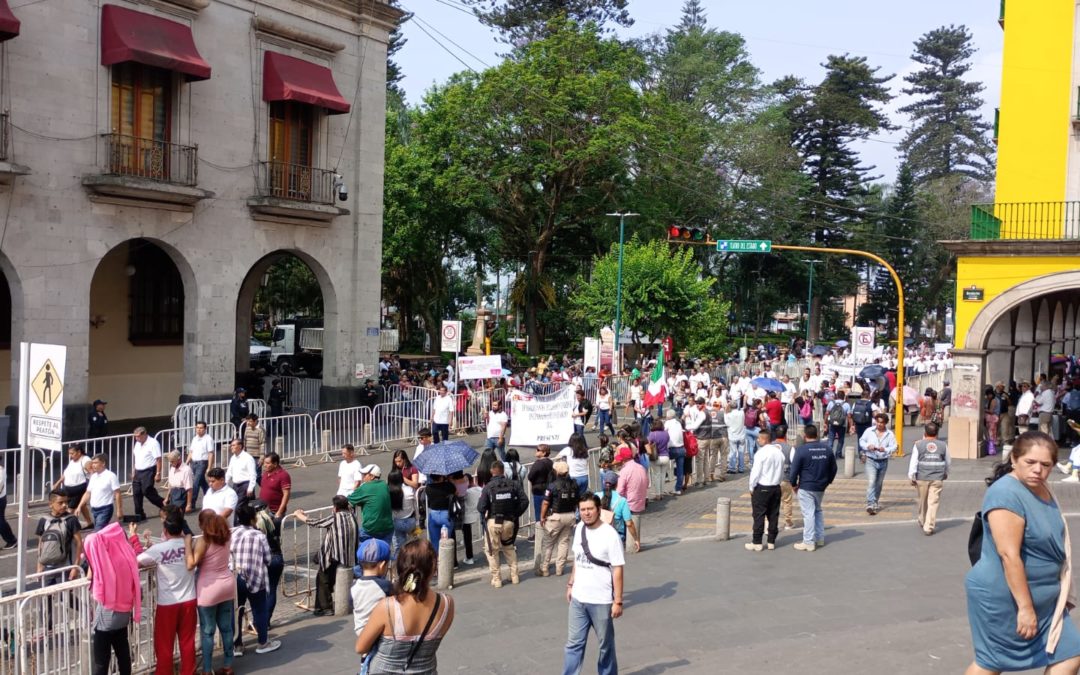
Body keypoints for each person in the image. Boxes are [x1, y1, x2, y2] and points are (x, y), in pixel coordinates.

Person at [964, 431, 1080, 674]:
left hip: (1045, 597)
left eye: (1045, 464)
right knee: (991, 663)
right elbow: (1009, 556)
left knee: (1070, 654)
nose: (1038, 469)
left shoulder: (1044, 488)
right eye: (1030, 462)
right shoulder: (1006, 493)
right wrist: (1026, 609)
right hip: (1006, 597)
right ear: (1014, 460)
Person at [355, 539, 455, 673]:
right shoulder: (447, 604)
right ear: (433, 567)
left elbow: (361, 648)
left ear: (400, 568)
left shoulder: (387, 607)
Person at [563, 493, 625, 675]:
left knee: (605, 646)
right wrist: (570, 584)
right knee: (573, 645)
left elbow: (618, 569)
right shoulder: (580, 528)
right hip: (578, 600)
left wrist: (618, 601)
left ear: (598, 510)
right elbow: (577, 558)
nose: (586, 513)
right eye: (582, 510)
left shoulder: (609, 535)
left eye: (590, 509)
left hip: (601, 600)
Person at [136, 508, 196, 675]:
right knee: (187, 642)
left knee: (164, 646)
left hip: (167, 603)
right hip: (190, 599)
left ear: (165, 530)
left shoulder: (159, 550)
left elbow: (136, 562)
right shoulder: (190, 545)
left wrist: (134, 539)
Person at [84, 522, 141, 675]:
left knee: (101, 661)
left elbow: (90, 574)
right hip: (124, 611)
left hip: (108, 612)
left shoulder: (106, 559)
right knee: (123, 655)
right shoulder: (127, 554)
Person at [229, 502, 281, 654]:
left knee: (236, 611)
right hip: (255, 576)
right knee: (259, 609)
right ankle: (263, 642)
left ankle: (236, 645)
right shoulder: (259, 536)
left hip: (236, 575)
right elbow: (267, 558)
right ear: (253, 519)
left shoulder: (233, 533)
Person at [296, 495, 359, 616]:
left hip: (333, 555)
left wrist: (300, 515)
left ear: (335, 507)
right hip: (347, 556)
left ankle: (325, 607)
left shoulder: (336, 517)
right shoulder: (352, 516)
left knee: (323, 579)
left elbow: (316, 523)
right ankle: (323, 606)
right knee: (329, 579)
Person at [193, 510, 235, 675]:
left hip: (208, 588)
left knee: (208, 631)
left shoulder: (204, 541)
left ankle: (207, 668)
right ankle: (228, 665)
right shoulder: (226, 536)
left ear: (203, 524)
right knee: (226, 628)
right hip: (227, 584)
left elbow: (194, 562)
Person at [477, 460, 529, 587]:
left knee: (492, 551)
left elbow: (481, 507)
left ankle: (497, 579)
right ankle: (514, 576)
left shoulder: (489, 487)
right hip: (509, 522)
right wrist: (515, 514)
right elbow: (525, 501)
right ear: (503, 471)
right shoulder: (513, 484)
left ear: (491, 472)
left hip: (493, 522)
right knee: (509, 548)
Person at [789, 424, 837, 552]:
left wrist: (793, 484)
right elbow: (834, 468)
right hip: (821, 486)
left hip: (806, 486)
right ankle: (820, 538)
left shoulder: (801, 450)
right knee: (817, 511)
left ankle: (809, 541)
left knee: (808, 513)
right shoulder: (827, 449)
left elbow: (793, 471)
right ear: (817, 435)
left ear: (805, 436)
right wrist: (828, 482)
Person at [907, 422, 950, 536]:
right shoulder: (943, 445)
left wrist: (911, 476)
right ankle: (928, 524)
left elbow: (914, 461)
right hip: (937, 477)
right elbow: (948, 462)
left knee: (923, 500)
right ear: (937, 433)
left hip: (922, 477)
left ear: (924, 432)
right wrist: (946, 473)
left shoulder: (918, 445)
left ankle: (924, 521)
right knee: (933, 501)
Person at [746, 428, 784, 551]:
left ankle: (757, 541)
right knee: (773, 514)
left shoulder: (760, 454)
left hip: (762, 487)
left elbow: (755, 473)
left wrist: (751, 487)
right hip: (776, 486)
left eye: (759, 438)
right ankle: (771, 540)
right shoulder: (779, 453)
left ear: (764, 439)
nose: (758, 440)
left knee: (759, 515)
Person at [539, 461, 579, 577]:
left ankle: (544, 568)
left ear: (556, 471)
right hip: (570, 515)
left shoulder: (552, 486)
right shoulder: (574, 484)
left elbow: (546, 502)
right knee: (564, 542)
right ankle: (559, 569)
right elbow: (577, 500)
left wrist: (542, 516)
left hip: (555, 517)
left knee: (548, 543)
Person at [36, 491, 83, 584]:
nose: (65, 505)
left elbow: (79, 543)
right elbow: (41, 544)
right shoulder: (44, 520)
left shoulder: (71, 520)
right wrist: (39, 566)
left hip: (66, 567)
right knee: (46, 595)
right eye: (60, 503)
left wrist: (75, 567)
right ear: (51, 504)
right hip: (48, 566)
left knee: (66, 596)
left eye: (66, 502)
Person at [858, 413, 898, 516]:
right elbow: (861, 441)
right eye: (878, 422)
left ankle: (875, 502)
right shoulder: (869, 431)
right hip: (871, 459)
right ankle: (870, 504)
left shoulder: (890, 434)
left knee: (878, 483)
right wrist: (868, 446)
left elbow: (894, 446)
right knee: (872, 482)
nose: (879, 424)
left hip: (883, 461)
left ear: (885, 423)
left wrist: (885, 449)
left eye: (882, 422)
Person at [348, 464, 394, 546]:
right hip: (388, 527)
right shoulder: (384, 485)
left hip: (371, 529)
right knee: (384, 553)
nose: (362, 478)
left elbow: (349, 501)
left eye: (364, 475)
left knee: (363, 551)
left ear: (372, 476)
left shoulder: (365, 487)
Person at [77, 454, 123, 531]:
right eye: (92, 463)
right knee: (102, 532)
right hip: (94, 509)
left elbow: (118, 493)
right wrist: (79, 506)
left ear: (103, 463)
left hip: (105, 509)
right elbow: (88, 493)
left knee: (97, 532)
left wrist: (119, 510)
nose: (93, 465)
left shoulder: (111, 476)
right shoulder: (93, 477)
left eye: (96, 463)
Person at [613, 446, 646, 554]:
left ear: (623, 459)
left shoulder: (625, 470)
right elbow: (647, 483)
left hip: (629, 503)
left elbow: (619, 491)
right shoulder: (641, 467)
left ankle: (620, 542)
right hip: (640, 501)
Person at [52, 444, 93, 529]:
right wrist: (58, 483)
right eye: (69, 454)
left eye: (72, 453)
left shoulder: (85, 460)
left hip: (78, 489)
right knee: (82, 506)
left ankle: (66, 527)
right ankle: (89, 522)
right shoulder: (72, 461)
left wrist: (92, 488)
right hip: (67, 489)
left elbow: (93, 474)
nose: (70, 456)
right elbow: (66, 474)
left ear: (79, 452)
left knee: (69, 510)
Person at [131, 426, 165, 520]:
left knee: (147, 491)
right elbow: (137, 457)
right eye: (135, 436)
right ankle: (139, 514)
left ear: (144, 434)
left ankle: (165, 505)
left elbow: (158, 459)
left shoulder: (153, 443)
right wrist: (134, 470)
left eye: (138, 436)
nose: (136, 438)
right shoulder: (137, 443)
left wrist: (158, 473)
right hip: (138, 470)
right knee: (136, 493)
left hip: (148, 470)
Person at [423, 474, 458, 560]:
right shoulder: (449, 486)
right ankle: (445, 564)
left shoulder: (428, 487)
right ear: (442, 476)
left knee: (435, 543)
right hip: (446, 515)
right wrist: (450, 480)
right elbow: (456, 493)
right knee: (445, 543)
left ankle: (436, 565)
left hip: (433, 515)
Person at [387, 469, 417, 559]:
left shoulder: (389, 492)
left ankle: (398, 567)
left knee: (398, 547)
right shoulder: (409, 490)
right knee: (413, 545)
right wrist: (418, 521)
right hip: (411, 521)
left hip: (396, 522)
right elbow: (416, 507)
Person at [185, 421, 214, 507]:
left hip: (202, 463)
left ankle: (191, 503)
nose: (199, 430)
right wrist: (186, 462)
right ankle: (211, 496)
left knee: (195, 483)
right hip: (194, 463)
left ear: (205, 429)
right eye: (197, 428)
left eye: (201, 428)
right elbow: (191, 452)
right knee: (202, 482)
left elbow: (211, 453)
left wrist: (209, 467)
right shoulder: (195, 438)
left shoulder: (208, 439)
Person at [527, 445, 555, 533]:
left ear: (544, 452)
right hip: (549, 490)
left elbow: (530, 476)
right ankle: (549, 529)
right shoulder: (551, 462)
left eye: (538, 450)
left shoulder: (538, 463)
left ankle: (540, 532)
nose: (536, 451)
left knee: (539, 513)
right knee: (548, 511)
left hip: (539, 491)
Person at [258, 453, 292, 519]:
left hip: (274, 512)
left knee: (274, 529)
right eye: (264, 463)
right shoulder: (266, 473)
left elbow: (286, 494)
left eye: (267, 463)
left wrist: (279, 512)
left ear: (275, 464)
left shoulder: (283, 475)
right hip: (263, 510)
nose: (264, 465)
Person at [164, 450, 194, 515]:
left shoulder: (186, 470)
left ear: (179, 459)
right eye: (170, 462)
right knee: (172, 516)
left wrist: (188, 504)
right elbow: (170, 485)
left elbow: (189, 489)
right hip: (173, 493)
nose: (171, 464)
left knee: (176, 516)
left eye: (172, 461)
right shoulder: (172, 468)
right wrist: (167, 497)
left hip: (181, 494)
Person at [825, 394, 852, 460]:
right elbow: (849, 416)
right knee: (841, 440)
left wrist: (825, 423)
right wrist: (851, 426)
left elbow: (826, 413)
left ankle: (829, 454)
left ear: (837, 396)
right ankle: (838, 454)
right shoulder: (846, 404)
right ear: (844, 397)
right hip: (842, 425)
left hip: (832, 424)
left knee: (831, 439)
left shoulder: (831, 403)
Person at [724, 402, 747, 474]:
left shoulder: (728, 415)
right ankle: (741, 468)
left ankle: (732, 468)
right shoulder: (742, 413)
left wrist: (726, 409)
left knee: (733, 452)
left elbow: (726, 423)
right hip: (741, 435)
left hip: (733, 435)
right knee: (741, 452)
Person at [241, 414, 267, 479]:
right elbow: (244, 440)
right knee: (249, 475)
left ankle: (266, 487)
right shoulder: (247, 429)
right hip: (248, 455)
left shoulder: (260, 430)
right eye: (247, 421)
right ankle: (251, 489)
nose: (248, 423)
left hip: (256, 456)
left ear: (255, 421)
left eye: (250, 421)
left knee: (257, 476)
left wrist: (262, 457)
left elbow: (262, 443)